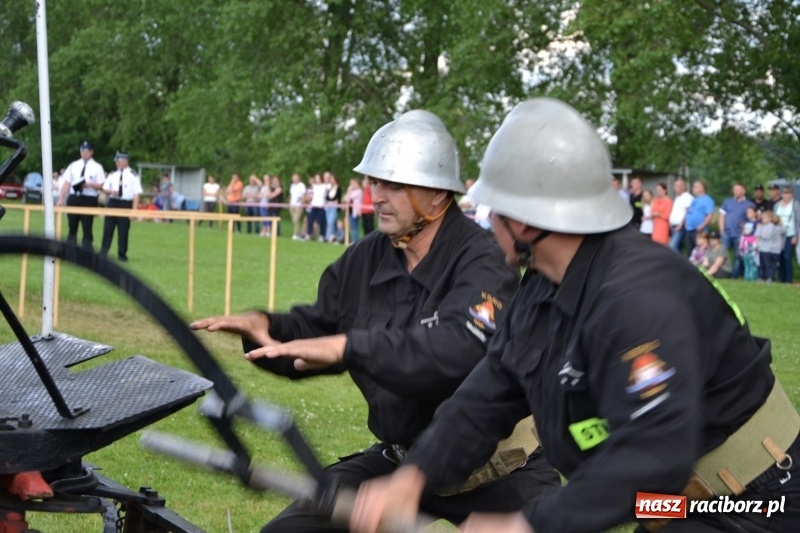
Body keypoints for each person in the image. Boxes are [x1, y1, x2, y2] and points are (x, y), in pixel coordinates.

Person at [351, 97, 800, 533]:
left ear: (525, 224)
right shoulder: (543, 289)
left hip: (756, 505)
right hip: (677, 505)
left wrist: (529, 524)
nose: (487, 221)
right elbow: (484, 398)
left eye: (496, 210)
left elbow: (652, 453)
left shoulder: (636, 297)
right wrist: (414, 476)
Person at [191, 109, 560, 532]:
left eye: (393, 185)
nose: (376, 196)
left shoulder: (484, 258)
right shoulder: (364, 259)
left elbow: (460, 349)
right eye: (374, 182)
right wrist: (265, 329)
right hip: (400, 466)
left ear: (438, 195)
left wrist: (350, 347)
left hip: (498, 472)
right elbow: (317, 331)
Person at [57, 141, 106, 250]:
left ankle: (87, 249)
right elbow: (66, 183)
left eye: (87, 151)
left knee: (87, 225)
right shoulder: (74, 165)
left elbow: (102, 185)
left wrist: (89, 184)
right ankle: (70, 248)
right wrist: (61, 198)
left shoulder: (97, 167)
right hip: (74, 197)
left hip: (88, 198)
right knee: (72, 225)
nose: (84, 153)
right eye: (82, 151)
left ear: (91, 152)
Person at [99, 151, 142, 262]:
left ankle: (122, 254)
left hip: (125, 203)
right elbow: (105, 188)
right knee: (108, 229)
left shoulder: (133, 175)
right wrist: (111, 192)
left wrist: (134, 210)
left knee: (123, 230)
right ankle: (103, 252)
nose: (117, 163)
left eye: (119, 160)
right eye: (116, 161)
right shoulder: (113, 174)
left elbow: (136, 193)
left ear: (125, 161)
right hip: (113, 202)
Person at [718, 183, 755, 278]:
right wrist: (722, 230)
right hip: (726, 232)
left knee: (738, 256)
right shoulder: (727, 202)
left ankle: (734, 275)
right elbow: (722, 216)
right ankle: (721, 273)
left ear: (744, 191)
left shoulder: (749, 204)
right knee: (722, 253)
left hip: (740, 235)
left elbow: (752, 218)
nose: (736, 192)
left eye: (738, 190)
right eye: (735, 190)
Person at [774, 186, 799, 284]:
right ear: (782, 194)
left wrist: (796, 236)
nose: (787, 195)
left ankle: (789, 278)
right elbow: (774, 219)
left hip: (790, 233)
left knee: (787, 257)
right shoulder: (777, 205)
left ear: (792, 194)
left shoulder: (795, 205)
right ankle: (781, 278)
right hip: (779, 234)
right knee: (779, 257)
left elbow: (798, 221)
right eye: (785, 193)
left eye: (789, 193)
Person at [683, 180, 714, 255]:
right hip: (689, 229)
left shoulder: (707, 200)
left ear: (702, 188)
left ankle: (700, 267)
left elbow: (709, 214)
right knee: (690, 251)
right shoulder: (694, 200)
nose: (693, 188)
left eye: (695, 187)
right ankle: (690, 266)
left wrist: (702, 225)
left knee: (700, 252)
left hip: (699, 230)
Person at [756, 209, 784, 283]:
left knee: (769, 264)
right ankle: (762, 276)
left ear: (770, 219)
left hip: (768, 248)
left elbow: (767, 236)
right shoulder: (762, 226)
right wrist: (761, 234)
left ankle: (770, 277)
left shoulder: (771, 226)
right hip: (761, 248)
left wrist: (761, 234)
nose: (762, 219)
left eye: (764, 218)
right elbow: (756, 233)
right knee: (762, 264)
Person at [668, 178, 693, 253]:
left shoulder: (687, 197)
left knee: (673, 246)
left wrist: (681, 224)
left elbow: (688, 212)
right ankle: (679, 263)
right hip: (673, 226)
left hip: (680, 226)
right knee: (678, 247)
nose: (675, 188)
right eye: (675, 186)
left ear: (683, 187)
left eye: (678, 186)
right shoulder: (677, 197)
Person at [738, 207, 759, 281]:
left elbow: (758, 235)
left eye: (750, 212)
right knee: (746, 260)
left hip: (752, 244)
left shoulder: (757, 223)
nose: (748, 214)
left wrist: (756, 244)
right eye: (747, 212)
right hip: (745, 244)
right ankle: (747, 277)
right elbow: (743, 234)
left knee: (752, 261)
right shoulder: (745, 223)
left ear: (755, 213)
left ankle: (753, 277)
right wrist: (740, 245)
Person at [324, 172, 342, 242]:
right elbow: (327, 198)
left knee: (330, 222)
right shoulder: (330, 188)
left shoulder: (338, 188)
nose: (331, 180)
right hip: (328, 206)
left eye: (332, 179)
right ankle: (334, 237)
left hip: (334, 207)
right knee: (331, 223)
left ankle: (328, 237)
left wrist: (332, 200)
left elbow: (337, 198)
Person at [288, 173, 307, 240]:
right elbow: (291, 195)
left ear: (298, 178)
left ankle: (295, 234)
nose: (294, 179)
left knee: (296, 219)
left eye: (295, 178)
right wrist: (289, 203)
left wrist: (301, 204)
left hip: (298, 205)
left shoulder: (302, 185)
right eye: (293, 178)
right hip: (292, 205)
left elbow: (303, 195)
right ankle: (298, 233)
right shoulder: (292, 185)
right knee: (294, 220)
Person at [345, 177, 363, 243]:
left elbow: (349, 197)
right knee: (353, 226)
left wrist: (348, 190)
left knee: (355, 227)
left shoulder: (359, 191)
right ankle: (354, 240)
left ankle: (355, 240)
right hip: (350, 211)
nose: (352, 185)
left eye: (354, 184)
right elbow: (346, 199)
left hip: (355, 212)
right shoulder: (354, 192)